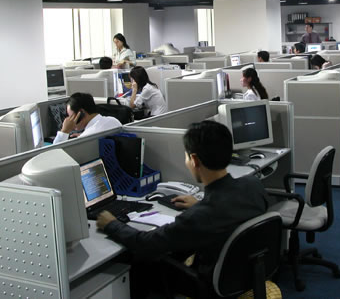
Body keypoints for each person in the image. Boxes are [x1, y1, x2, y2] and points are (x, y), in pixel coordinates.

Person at [96, 120, 269, 298]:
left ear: (194, 160)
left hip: (211, 286)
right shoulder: (253, 185)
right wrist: (200, 204)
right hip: (248, 272)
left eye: (186, 157)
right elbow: (227, 211)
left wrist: (111, 224)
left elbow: (145, 243)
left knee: (142, 261)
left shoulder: (200, 216)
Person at [52, 93, 121, 144]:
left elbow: (55, 154)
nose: (69, 120)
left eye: (70, 116)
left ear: (81, 113)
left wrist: (64, 131)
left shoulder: (85, 138)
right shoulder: (113, 120)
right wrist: (83, 134)